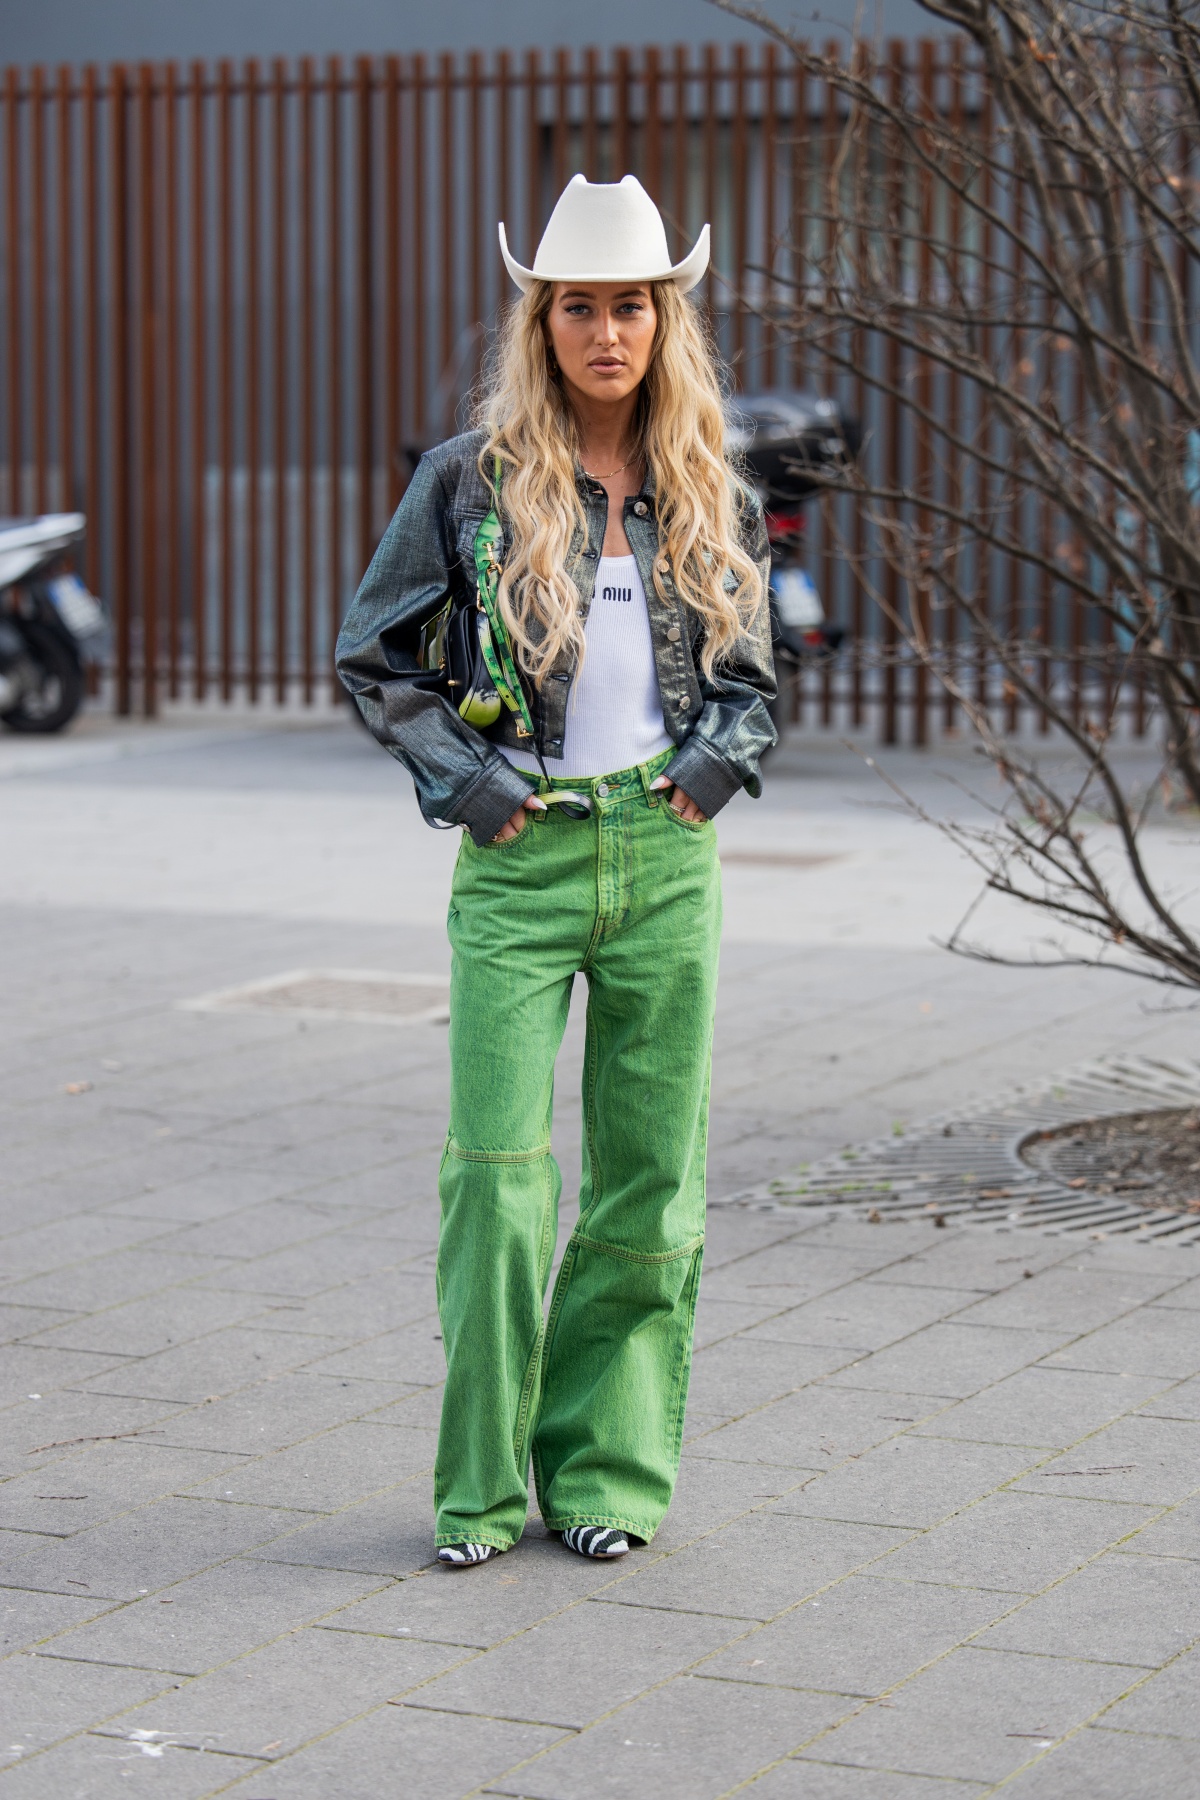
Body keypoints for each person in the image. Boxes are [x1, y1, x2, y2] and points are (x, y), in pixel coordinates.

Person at [336, 174, 775, 1567]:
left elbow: (751, 680)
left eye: (630, 306)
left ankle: (604, 1478)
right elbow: (375, 656)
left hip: (665, 853)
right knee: (501, 1177)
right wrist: (473, 792)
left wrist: (708, 775)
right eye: (578, 305)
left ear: (664, 320)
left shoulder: (709, 482)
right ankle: (476, 1493)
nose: (605, 331)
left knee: (651, 1185)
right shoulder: (466, 481)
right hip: (524, 865)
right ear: (544, 321)